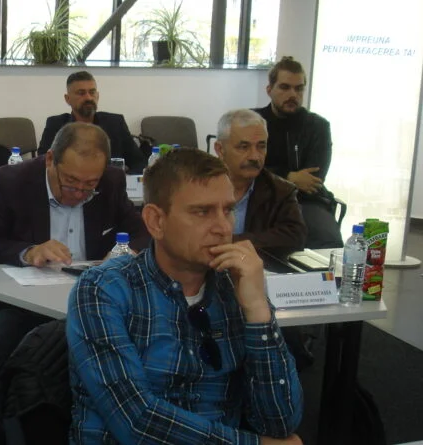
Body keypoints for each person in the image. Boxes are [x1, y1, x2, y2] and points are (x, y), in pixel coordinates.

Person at [67, 148, 303, 444]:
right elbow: (136, 422)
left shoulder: (237, 287)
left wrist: (257, 310)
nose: (223, 228)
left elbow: (281, 422)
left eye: (228, 210)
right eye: (202, 212)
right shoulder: (103, 289)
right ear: (156, 221)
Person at [0, 122, 147, 441]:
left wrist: (126, 251)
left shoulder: (111, 181)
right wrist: (28, 251)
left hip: (92, 300)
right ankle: (2, 431)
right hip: (18, 302)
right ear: (50, 159)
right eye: (71, 182)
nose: (79, 194)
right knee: (12, 337)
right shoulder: (11, 181)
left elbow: (144, 233)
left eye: (89, 186)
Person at [255, 56, 343, 248]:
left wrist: (271, 173)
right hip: (259, 198)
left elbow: (313, 179)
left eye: (299, 88)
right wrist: (289, 176)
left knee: (330, 242)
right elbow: (245, 168)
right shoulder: (252, 121)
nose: (293, 94)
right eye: (285, 87)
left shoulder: (318, 126)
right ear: (269, 90)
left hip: (306, 201)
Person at [213, 108, 306, 253]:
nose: (255, 157)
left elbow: (295, 236)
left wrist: (230, 243)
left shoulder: (281, 190)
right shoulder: (197, 185)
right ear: (220, 149)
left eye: (261, 147)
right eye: (244, 147)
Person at [37, 71, 147, 173]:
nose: (88, 98)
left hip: (108, 183)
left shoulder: (116, 123)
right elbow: (43, 163)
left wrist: (122, 178)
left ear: (97, 95)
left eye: (92, 92)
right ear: (67, 99)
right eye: (81, 93)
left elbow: (138, 162)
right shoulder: (55, 125)